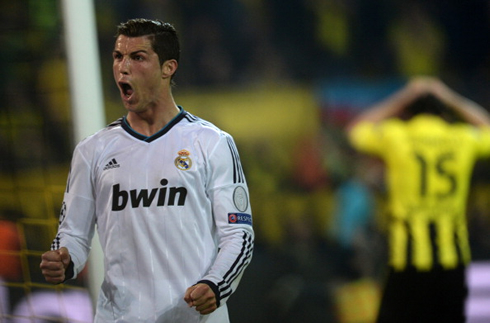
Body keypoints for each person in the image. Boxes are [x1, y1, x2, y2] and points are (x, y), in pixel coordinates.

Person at [40, 18, 254, 323]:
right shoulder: (92, 151)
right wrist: (64, 259)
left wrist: (215, 284)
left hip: (193, 318)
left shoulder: (212, 143)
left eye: (137, 57)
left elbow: (238, 234)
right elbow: (72, 234)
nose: (123, 68)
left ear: (168, 67)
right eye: (117, 57)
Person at [346, 76, 490, 323]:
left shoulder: (397, 135)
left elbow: (355, 130)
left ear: (407, 112)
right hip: (452, 257)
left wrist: (403, 96)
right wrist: (450, 97)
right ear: (445, 114)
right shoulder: (462, 138)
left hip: (407, 258)